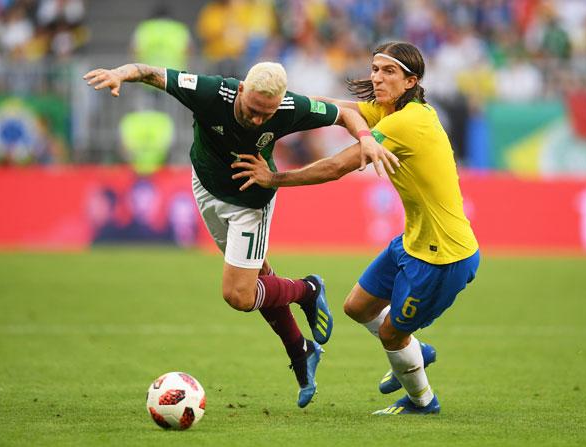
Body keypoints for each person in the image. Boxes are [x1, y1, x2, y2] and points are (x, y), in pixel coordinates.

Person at [83, 60, 399, 408]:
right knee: (256, 276)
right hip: (205, 188)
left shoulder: (290, 107)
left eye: (268, 114)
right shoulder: (209, 92)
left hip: (251, 202)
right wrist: (118, 74)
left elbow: (346, 114)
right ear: (243, 90)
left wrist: (366, 139)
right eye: (253, 111)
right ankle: (301, 350)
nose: (260, 120)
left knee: (239, 294)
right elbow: (150, 72)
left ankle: (308, 290)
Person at [232, 41, 480, 415]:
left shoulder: (407, 122)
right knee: (357, 306)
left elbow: (336, 167)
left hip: (443, 256)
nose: (377, 77)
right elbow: (336, 108)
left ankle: (422, 401)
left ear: (411, 81)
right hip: (413, 242)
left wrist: (273, 178)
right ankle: (416, 351)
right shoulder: (391, 111)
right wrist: (284, 100)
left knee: (391, 334)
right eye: (376, 69)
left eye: (389, 72)